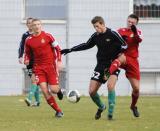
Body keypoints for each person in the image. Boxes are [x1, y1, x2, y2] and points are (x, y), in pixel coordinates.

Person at [61, 16, 127, 120]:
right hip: (100, 65)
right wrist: (70, 50)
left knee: (110, 86)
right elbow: (86, 45)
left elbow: (124, 45)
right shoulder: (95, 36)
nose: (96, 29)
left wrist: (120, 55)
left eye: (97, 26)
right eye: (94, 27)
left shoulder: (113, 33)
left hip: (113, 65)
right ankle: (101, 107)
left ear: (102, 24)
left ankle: (110, 113)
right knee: (91, 91)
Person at [24, 18, 64, 118]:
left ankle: (58, 91)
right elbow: (27, 54)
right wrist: (26, 59)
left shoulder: (48, 36)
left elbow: (58, 49)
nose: (37, 26)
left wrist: (59, 60)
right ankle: (58, 111)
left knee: (53, 90)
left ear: (41, 25)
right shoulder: (28, 40)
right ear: (31, 27)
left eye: (38, 24)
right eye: (35, 25)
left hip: (51, 67)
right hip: (38, 68)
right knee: (45, 91)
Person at [107, 14, 143, 117]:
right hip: (121, 57)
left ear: (136, 24)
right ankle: (107, 72)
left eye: (132, 22)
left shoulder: (138, 32)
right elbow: (112, 41)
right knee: (121, 58)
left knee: (136, 89)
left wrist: (134, 30)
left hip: (133, 61)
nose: (130, 23)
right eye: (129, 21)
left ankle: (133, 106)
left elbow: (138, 39)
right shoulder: (121, 31)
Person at [18, 17, 40, 106]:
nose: (31, 25)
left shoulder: (38, 34)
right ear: (27, 25)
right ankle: (37, 102)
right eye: (29, 23)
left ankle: (29, 98)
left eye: (32, 23)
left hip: (38, 61)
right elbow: (21, 46)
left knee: (35, 80)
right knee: (34, 81)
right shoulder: (25, 35)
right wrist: (20, 56)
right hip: (29, 61)